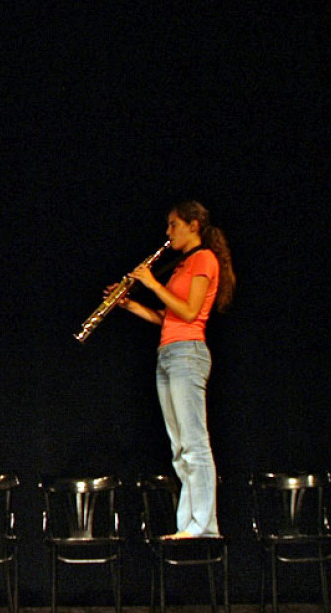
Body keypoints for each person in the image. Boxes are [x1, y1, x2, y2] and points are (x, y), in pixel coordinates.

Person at [118, 201, 236, 538]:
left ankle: (204, 525)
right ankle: (188, 525)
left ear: (194, 224)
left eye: (173, 225)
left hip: (189, 354)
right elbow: (167, 317)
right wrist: (131, 304)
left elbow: (189, 312)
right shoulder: (183, 265)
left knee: (196, 443)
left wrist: (152, 283)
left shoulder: (204, 259)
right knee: (179, 447)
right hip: (168, 354)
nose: (168, 233)